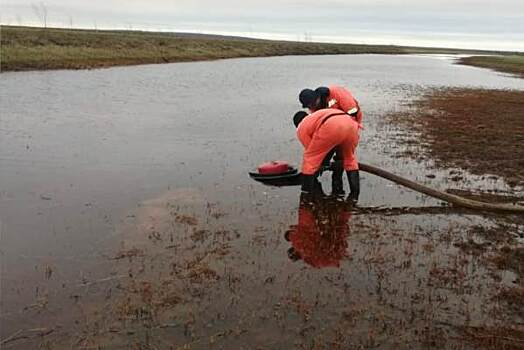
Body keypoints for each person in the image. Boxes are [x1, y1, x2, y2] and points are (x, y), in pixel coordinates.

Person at [293, 109, 360, 201]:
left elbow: (313, 153)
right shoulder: (315, 116)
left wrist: (319, 166)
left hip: (331, 126)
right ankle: (355, 194)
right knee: (350, 159)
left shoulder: (301, 127)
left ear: (297, 124)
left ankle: (306, 195)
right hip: (351, 123)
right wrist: (325, 161)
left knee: (309, 160)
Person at [285, 189, 351, 268]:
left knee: (340, 216)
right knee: (310, 191)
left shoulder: (311, 259)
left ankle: (342, 193)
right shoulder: (298, 244)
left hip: (334, 240)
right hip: (309, 215)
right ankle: (316, 184)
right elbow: (293, 234)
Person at [299, 85, 363, 127]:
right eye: (309, 107)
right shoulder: (314, 108)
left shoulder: (336, 93)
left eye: (313, 104)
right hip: (335, 123)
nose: (312, 108)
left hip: (352, 117)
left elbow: (353, 111)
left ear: (317, 97)